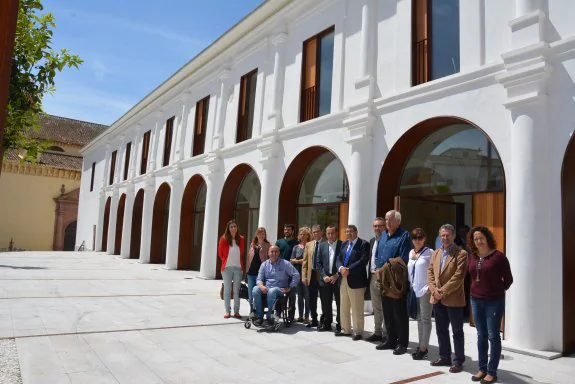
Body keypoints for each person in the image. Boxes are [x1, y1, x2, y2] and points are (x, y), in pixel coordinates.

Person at [468, 226, 513, 384]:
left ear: (487, 238)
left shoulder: (498, 257)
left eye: (481, 238)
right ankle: (482, 368)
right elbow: (472, 276)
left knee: (493, 336)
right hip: (475, 299)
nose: (478, 241)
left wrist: (496, 291)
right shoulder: (472, 257)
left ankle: (492, 372)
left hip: (493, 302)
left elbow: (508, 280)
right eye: (475, 239)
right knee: (481, 335)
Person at [427, 224, 468, 373]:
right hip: (437, 298)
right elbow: (430, 272)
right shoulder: (436, 253)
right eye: (442, 235)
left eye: (448, 235)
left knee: (457, 331)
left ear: (454, 236)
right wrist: (433, 290)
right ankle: (444, 357)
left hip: (453, 298)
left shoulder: (461, 254)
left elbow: (458, 277)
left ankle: (458, 361)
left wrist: (441, 292)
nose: (445, 238)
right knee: (441, 329)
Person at [375, 210, 412, 355]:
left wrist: (385, 268)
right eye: (386, 219)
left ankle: (402, 343)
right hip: (382, 278)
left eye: (390, 220)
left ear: (398, 221)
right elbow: (379, 253)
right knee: (388, 312)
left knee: (399, 313)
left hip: (396, 280)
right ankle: (390, 340)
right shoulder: (384, 234)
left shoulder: (404, 236)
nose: (387, 222)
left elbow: (403, 258)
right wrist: (378, 267)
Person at [252, 245, 300, 326]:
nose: (274, 253)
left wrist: (290, 287)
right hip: (266, 288)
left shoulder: (285, 264)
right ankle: (259, 317)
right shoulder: (264, 264)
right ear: (268, 253)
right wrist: (261, 286)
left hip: (279, 290)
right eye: (272, 251)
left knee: (272, 291)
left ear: (279, 253)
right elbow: (259, 279)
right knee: (255, 289)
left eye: (276, 251)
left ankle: (269, 317)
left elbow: (296, 274)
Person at [336, 224, 369, 341]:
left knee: (356, 307)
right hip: (343, 279)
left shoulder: (364, 244)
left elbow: (363, 260)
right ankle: (346, 329)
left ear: (356, 232)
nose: (348, 234)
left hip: (356, 280)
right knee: (343, 306)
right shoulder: (344, 244)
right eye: (347, 232)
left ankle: (358, 331)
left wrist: (349, 269)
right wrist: (340, 268)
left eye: (351, 232)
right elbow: (338, 259)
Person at [407, 228, 433, 360]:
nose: (417, 240)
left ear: (424, 239)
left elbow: (435, 270)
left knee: (425, 319)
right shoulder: (411, 252)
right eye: (415, 238)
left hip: (425, 291)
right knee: (418, 318)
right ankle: (421, 344)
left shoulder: (430, 252)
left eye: (420, 238)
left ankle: (424, 348)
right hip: (414, 290)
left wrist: (430, 286)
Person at [317, 225, 342, 332]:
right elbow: (318, 263)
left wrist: (337, 275)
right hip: (326, 279)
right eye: (328, 233)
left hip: (338, 278)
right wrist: (324, 276)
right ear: (326, 234)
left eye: (332, 233)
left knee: (340, 303)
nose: (330, 235)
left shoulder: (342, 244)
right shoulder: (321, 246)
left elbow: (345, 261)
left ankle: (340, 324)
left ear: (336, 233)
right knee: (325, 303)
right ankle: (327, 323)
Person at [217, 219, 245, 319]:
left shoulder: (241, 239)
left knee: (237, 290)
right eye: (231, 227)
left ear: (237, 228)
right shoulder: (223, 239)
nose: (233, 228)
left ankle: (236, 312)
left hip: (238, 268)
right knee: (227, 290)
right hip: (227, 268)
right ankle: (227, 311)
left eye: (235, 226)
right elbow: (220, 254)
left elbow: (241, 253)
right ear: (228, 229)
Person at [366, 217, 387, 343]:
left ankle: (386, 333)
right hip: (373, 276)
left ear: (384, 227)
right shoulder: (372, 241)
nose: (377, 228)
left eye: (380, 226)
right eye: (375, 226)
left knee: (385, 307)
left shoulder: (388, 240)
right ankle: (377, 332)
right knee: (376, 307)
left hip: (384, 277)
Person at [301, 224, 324, 328]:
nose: (315, 234)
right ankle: (314, 319)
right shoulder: (308, 244)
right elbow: (305, 262)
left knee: (324, 299)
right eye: (314, 232)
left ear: (322, 232)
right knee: (312, 299)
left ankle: (324, 320)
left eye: (317, 231)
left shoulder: (326, 243)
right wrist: (304, 276)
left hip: (323, 275)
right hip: (311, 275)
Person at [276, 224, 299, 320]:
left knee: (292, 295)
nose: (286, 231)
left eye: (289, 230)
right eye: (285, 229)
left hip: (292, 273)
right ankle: (278, 313)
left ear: (293, 231)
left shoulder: (296, 243)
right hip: (280, 273)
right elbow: (275, 255)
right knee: (280, 294)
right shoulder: (279, 242)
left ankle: (291, 316)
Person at [290, 227, 311, 323]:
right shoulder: (296, 247)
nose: (302, 236)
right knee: (300, 296)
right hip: (297, 274)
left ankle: (307, 316)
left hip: (306, 274)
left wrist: (297, 261)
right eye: (301, 234)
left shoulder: (310, 246)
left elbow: (308, 261)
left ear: (308, 236)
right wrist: (301, 261)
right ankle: (300, 316)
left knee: (307, 296)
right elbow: (291, 260)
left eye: (304, 234)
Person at [247, 227, 270, 313]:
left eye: (263, 234)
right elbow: (249, 258)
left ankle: (258, 311)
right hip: (251, 273)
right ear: (256, 235)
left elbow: (269, 260)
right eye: (259, 233)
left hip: (260, 274)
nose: (261, 235)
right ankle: (252, 310)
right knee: (250, 295)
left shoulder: (268, 245)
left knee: (258, 293)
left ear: (265, 235)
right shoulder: (252, 244)